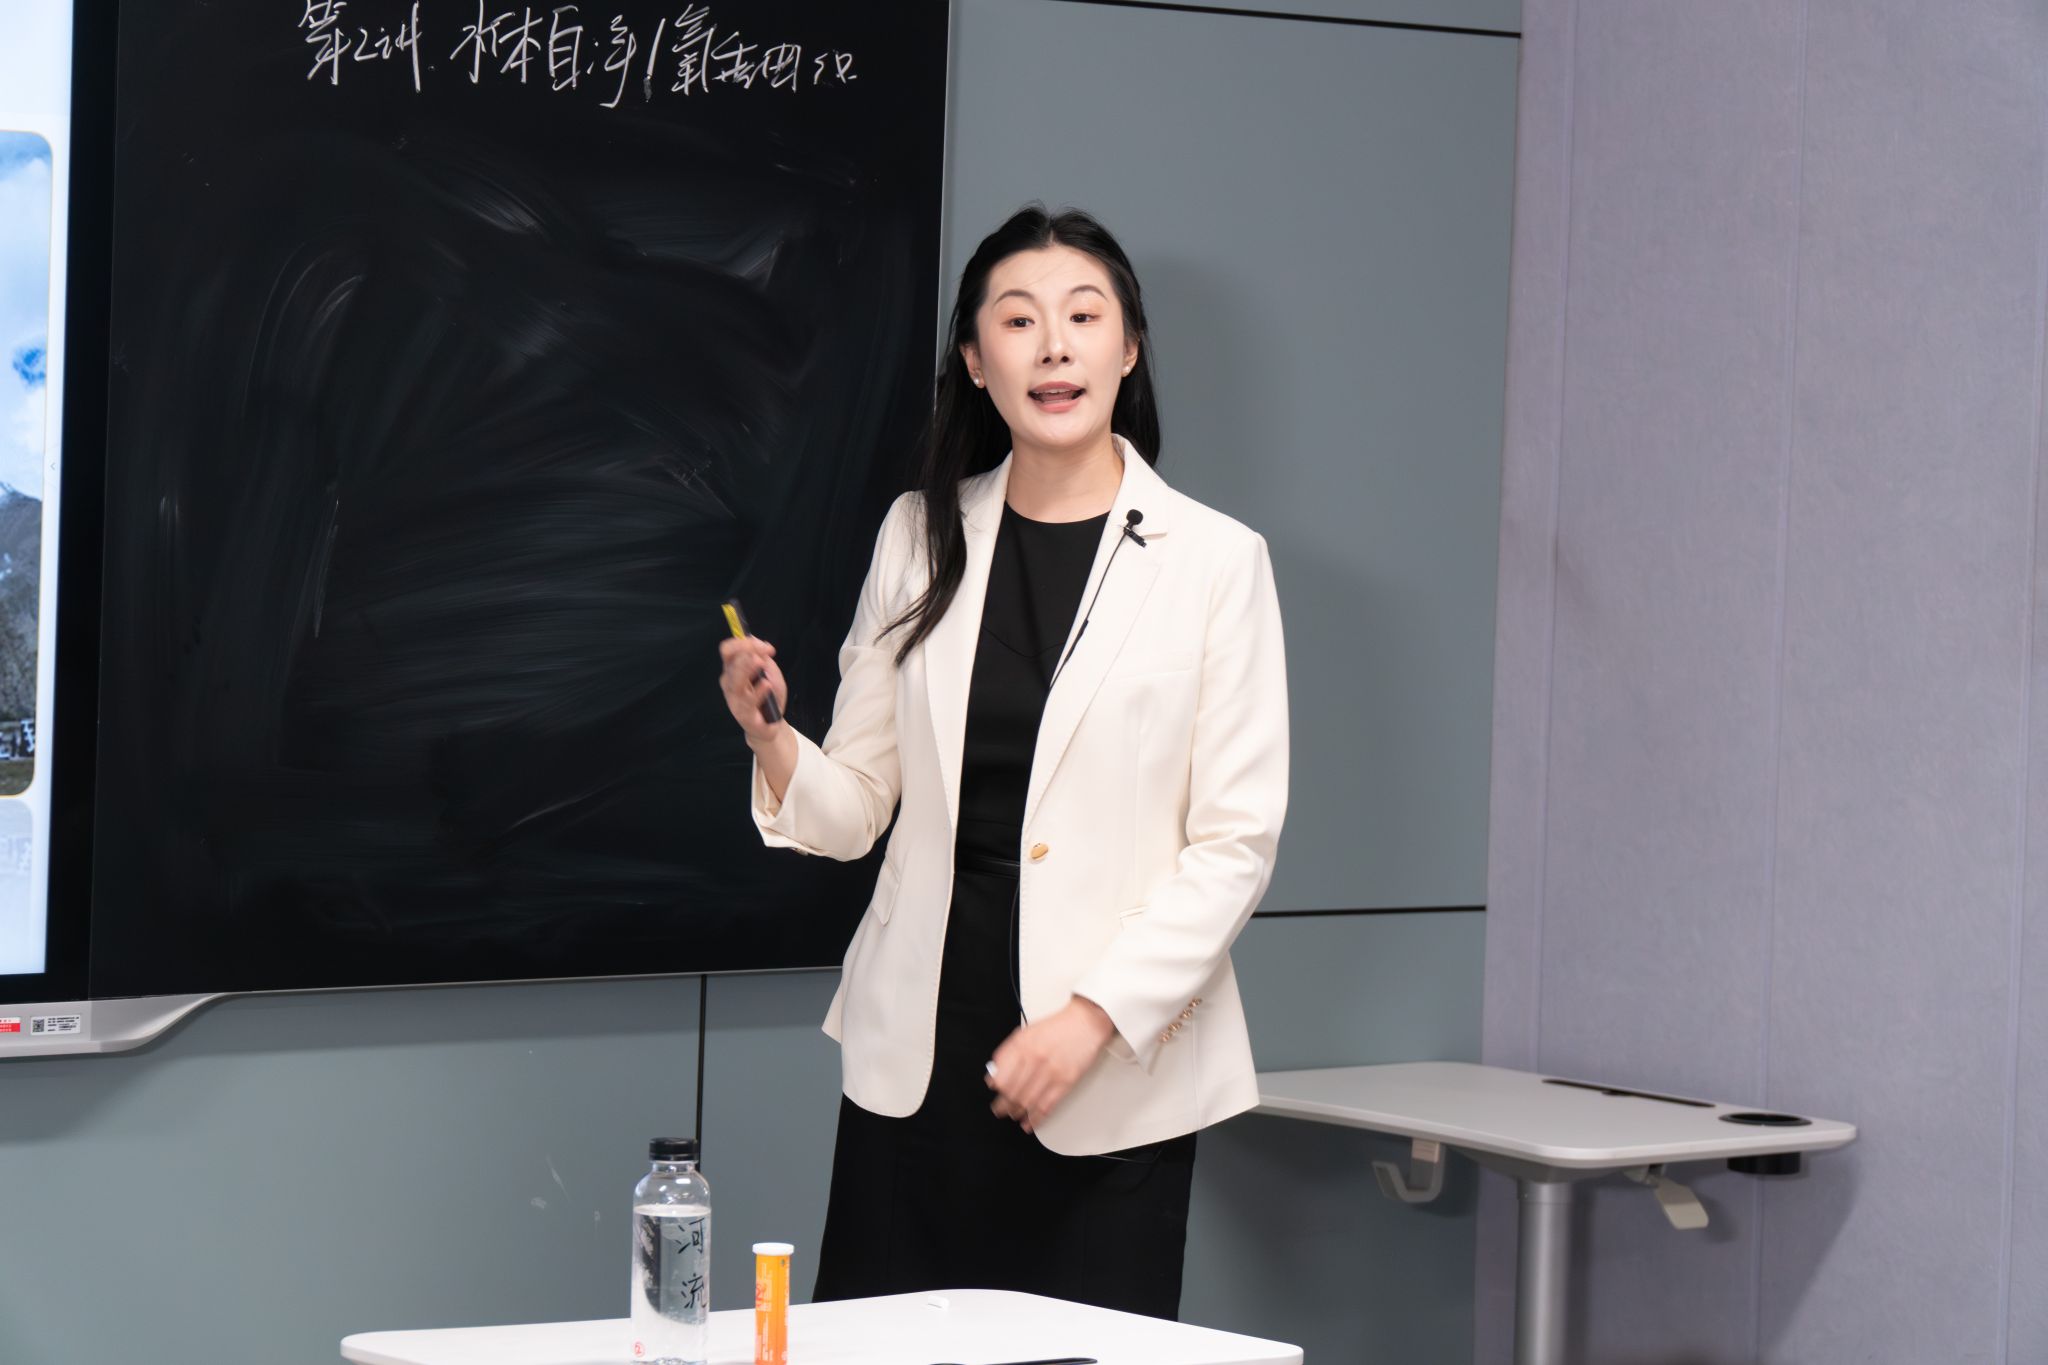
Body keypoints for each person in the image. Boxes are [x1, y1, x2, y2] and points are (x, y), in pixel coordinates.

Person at [717, 205, 1288, 1320]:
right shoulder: (916, 533)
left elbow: (1234, 844)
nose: (1054, 347)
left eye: (1084, 317)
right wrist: (773, 738)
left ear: (1129, 349)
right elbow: (854, 810)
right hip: (919, 1063)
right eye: (1019, 321)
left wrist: (1090, 1017)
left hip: (1109, 1066)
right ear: (977, 363)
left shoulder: (1217, 562)